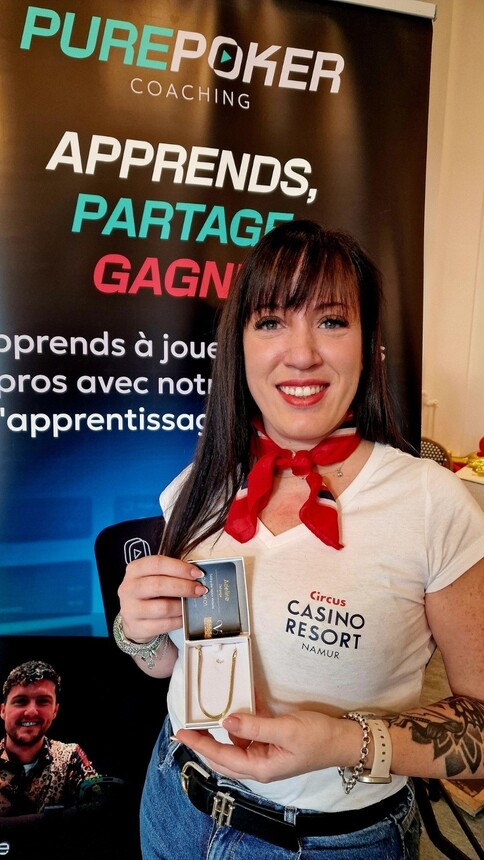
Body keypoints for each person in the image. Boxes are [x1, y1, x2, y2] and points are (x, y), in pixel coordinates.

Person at [116, 220, 484, 859]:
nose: (303, 353)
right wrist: (137, 631)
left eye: (332, 321)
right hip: (174, 804)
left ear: (369, 346)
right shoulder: (197, 486)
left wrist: (343, 742)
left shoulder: (432, 502)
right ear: (239, 348)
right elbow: (172, 664)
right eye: (271, 322)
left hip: (329, 843)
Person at [0, 659, 98, 816]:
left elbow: (101, 808)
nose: (31, 711)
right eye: (21, 701)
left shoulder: (69, 757)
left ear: (55, 711)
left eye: (42, 701)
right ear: (3, 710)